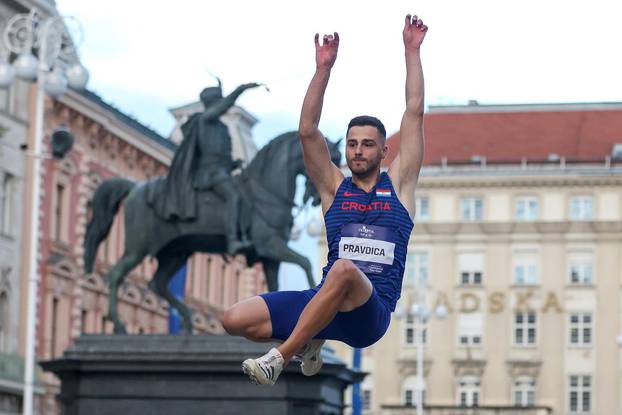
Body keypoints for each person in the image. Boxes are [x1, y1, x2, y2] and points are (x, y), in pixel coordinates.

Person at [222, 14, 428, 385]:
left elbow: (414, 112)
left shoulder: (399, 186)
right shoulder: (334, 188)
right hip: (325, 300)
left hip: (370, 313)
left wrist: (411, 51)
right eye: (351, 144)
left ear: (384, 150)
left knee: (346, 269)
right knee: (234, 320)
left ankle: (279, 359)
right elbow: (307, 131)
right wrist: (322, 69)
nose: (358, 151)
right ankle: (310, 338)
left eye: (367, 144)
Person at [148, 81, 261, 255]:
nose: (221, 105)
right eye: (219, 101)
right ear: (212, 103)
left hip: (221, 171)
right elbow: (210, 156)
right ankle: (232, 241)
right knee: (233, 197)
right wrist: (240, 90)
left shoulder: (222, 128)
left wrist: (233, 164)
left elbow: (220, 154)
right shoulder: (205, 119)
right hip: (209, 174)